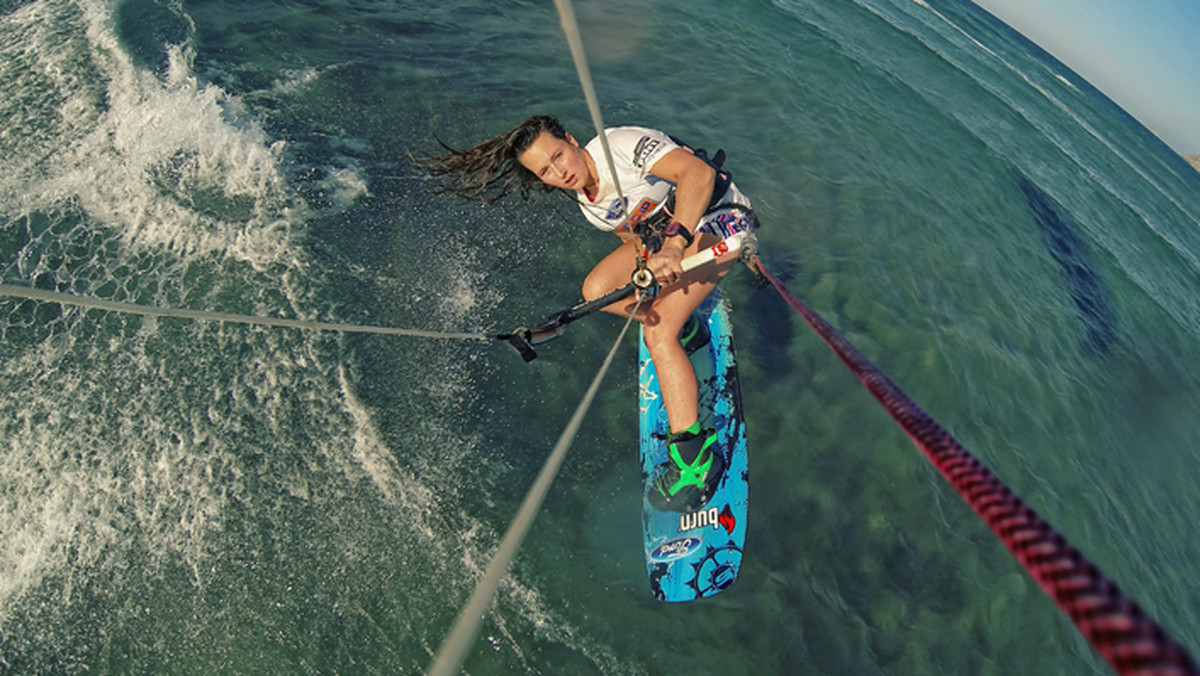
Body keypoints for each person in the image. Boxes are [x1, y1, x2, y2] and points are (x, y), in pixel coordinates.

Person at [422, 115, 756, 511]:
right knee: (596, 290)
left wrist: (673, 247)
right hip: (672, 241)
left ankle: (696, 461)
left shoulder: (618, 146)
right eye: (544, 171)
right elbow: (633, 240)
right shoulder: (589, 205)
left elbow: (697, 174)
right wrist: (653, 272)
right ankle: (687, 328)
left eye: (558, 156)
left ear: (570, 139)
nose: (558, 171)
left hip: (722, 220)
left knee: (657, 332)